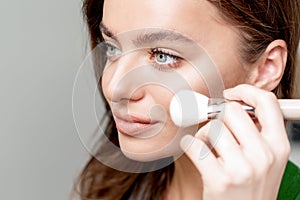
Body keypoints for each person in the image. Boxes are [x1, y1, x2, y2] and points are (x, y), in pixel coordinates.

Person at [74, 0, 300, 199]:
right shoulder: (117, 185)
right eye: (113, 48)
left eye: (163, 56)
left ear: (266, 68)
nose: (114, 88)